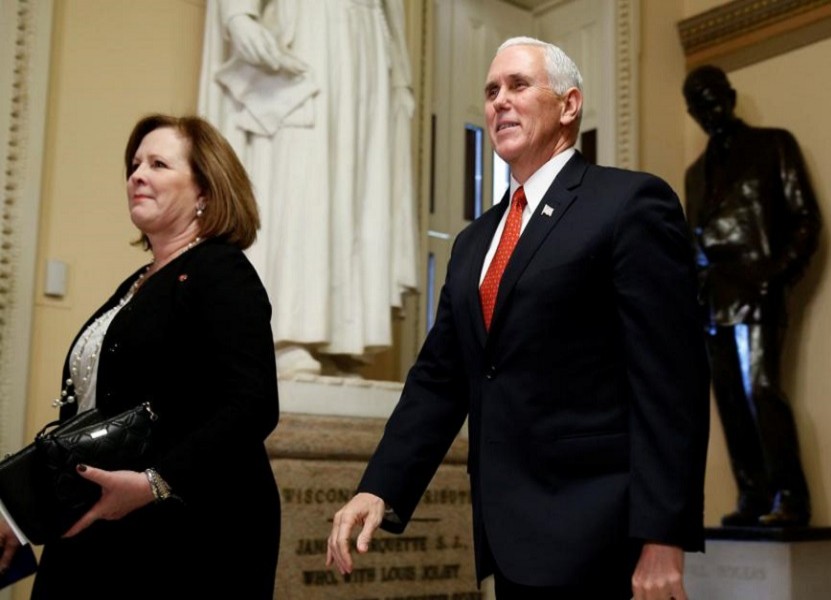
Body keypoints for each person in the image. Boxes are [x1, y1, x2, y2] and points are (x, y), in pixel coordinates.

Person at [326, 37, 710, 600]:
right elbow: (441, 378)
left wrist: (663, 536)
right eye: (490, 91)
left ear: (569, 104)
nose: (499, 100)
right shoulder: (474, 242)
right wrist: (379, 487)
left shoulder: (629, 205)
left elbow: (669, 382)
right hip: (509, 538)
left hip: (606, 533)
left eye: (518, 85)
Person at [0, 114, 281, 598]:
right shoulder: (136, 283)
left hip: (185, 538)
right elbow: (91, 418)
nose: (136, 175)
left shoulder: (220, 271)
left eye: (157, 163)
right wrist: (21, 515)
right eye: (133, 165)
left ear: (206, 192)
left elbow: (252, 404)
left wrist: (155, 482)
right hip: (98, 524)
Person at [198, 0, 418, 377]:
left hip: (366, 39)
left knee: (356, 187)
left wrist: (400, 74)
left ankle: (340, 339)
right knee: (303, 178)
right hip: (308, 27)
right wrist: (237, 14)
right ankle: (287, 332)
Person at [682, 65, 822, 527]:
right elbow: (694, 240)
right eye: (697, 104)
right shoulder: (695, 173)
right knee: (729, 401)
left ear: (731, 95)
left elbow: (806, 219)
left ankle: (791, 498)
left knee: (762, 391)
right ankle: (754, 495)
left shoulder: (773, 145)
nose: (708, 109)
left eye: (713, 97)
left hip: (758, 292)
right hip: (712, 303)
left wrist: (774, 276)